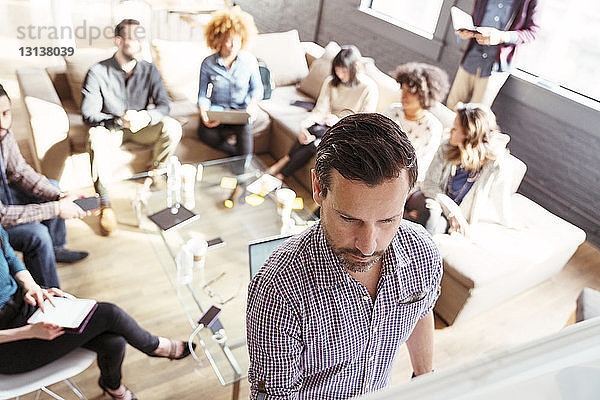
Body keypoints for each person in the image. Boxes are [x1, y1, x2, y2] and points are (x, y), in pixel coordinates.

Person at [247, 113, 443, 399]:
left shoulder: (422, 253)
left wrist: (426, 383)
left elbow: (421, 311)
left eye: (388, 220)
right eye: (349, 219)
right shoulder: (277, 291)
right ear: (318, 188)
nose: (368, 246)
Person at [0, 225, 194, 400]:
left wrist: (31, 286)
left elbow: (8, 255)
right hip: (8, 344)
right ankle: (153, 346)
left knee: (114, 341)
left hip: (24, 306)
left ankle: (112, 385)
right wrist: (30, 333)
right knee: (109, 313)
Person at [81, 19, 182, 236]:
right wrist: (119, 119)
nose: (140, 44)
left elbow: (165, 105)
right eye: (134, 39)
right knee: (94, 137)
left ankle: (155, 173)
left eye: (141, 38)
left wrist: (146, 116)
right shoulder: (97, 71)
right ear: (119, 41)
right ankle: (105, 204)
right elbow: (88, 114)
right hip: (112, 129)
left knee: (172, 128)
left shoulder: (149, 69)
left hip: (141, 127)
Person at [0, 84, 88, 289]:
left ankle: (55, 249)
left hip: (4, 193)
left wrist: (60, 197)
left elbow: (21, 172)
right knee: (37, 235)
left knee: (52, 186)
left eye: (5, 113)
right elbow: (2, 216)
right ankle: (48, 302)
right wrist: (57, 209)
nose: (2, 122)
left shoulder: (4, 135)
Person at [268, 45, 378, 181]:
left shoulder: (368, 88)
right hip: (325, 125)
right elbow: (320, 110)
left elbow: (364, 123)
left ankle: (281, 173)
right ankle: (282, 164)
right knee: (310, 131)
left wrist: (338, 122)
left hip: (348, 131)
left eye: (344, 71)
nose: (340, 75)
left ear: (355, 67)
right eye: (338, 71)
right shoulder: (331, 82)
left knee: (315, 144)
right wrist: (303, 126)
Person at [405, 103, 513, 237]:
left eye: (455, 128)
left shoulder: (495, 164)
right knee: (432, 212)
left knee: (436, 227)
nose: (450, 130)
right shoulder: (446, 147)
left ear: (468, 134)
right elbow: (429, 185)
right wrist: (452, 210)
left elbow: (500, 198)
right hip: (429, 199)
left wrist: (509, 224)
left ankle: (408, 224)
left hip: (447, 217)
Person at [446, 0, 540, 109]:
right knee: (451, 105)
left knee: (476, 118)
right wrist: (468, 30)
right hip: (472, 56)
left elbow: (532, 32)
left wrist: (502, 36)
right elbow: (478, 14)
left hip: (496, 65)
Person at [197, 6, 263, 158]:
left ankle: (242, 168)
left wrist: (253, 105)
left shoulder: (249, 61)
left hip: (241, 111)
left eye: (237, 40)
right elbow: (202, 94)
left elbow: (257, 89)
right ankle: (235, 154)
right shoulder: (208, 64)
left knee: (245, 129)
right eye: (228, 41)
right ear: (218, 39)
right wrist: (204, 113)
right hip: (218, 111)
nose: (233, 46)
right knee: (204, 133)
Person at [386, 62, 449, 181]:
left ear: (424, 95)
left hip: (403, 179)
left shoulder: (432, 128)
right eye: (403, 89)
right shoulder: (392, 112)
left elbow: (421, 166)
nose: (404, 96)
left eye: (410, 92)